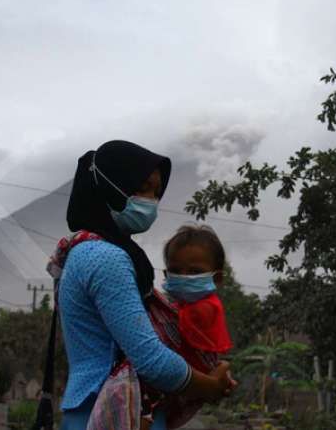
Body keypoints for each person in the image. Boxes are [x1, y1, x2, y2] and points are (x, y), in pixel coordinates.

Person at [56, 140, 234, 430]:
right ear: (110, 186)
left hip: (111, 408)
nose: (150, 200)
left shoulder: (86, 249)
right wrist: (211, 386)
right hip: (109, 411)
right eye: (140, 189)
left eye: (155, 192)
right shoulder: (106, 257)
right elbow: (151, 360)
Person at [135, 224, 234, 430]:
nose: (184, 276)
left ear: (216, 278)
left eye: (195, 271)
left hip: (184, 383)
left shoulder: (205, 307)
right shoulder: (179, 306)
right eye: (175, 270)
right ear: (166, 272)